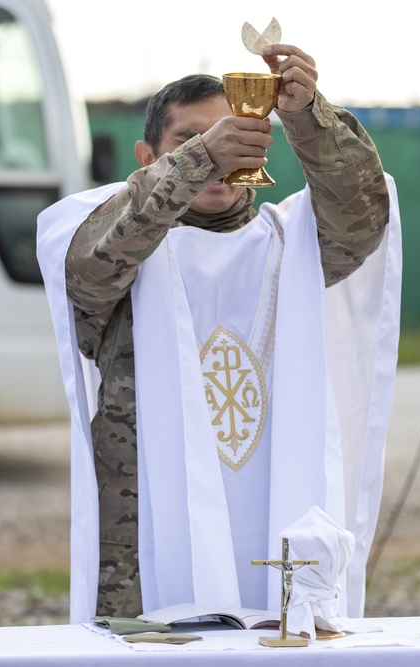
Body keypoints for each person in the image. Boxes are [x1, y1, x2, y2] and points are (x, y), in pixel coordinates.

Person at [38, 43, 398, 622]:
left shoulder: (291, 248)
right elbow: (88, 271)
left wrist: (307, 113)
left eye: (233, 134)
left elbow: (362, 217)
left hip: (276, 519)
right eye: (189, 140)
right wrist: (198, 160)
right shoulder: (113, 233)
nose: (217, 153)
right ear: (147, 154)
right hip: (143, 534)